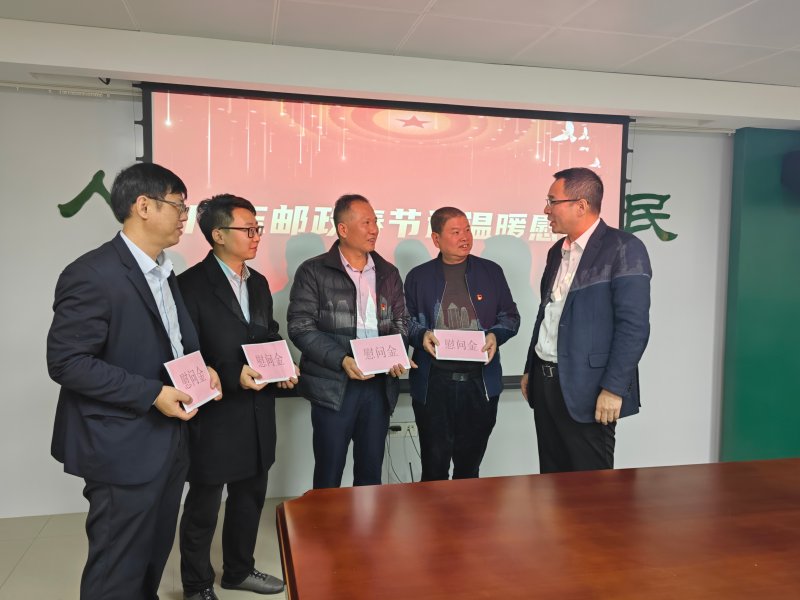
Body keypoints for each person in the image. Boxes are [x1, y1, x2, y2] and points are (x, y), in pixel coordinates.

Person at [47, 162, 222, 600]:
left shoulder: (163, 271)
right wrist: (152, 394)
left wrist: (202, 369)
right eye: (178, 205)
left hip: (169, 441)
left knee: (150, 558)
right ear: (143, 206)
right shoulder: (92, 273)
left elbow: (171, 344)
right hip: (121, 445)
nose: (185, 217)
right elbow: (67, 362)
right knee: (117, 568)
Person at [177, 195, 294, 599]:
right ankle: (196, 584)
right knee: (204, 505)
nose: (256, 236)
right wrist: (231, 375)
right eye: (248, 229)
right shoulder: (189, 285)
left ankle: (239, 570)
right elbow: (184, 353)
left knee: (250, 497)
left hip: (257, 411)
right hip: (215, 414)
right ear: (218, 235)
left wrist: (282, 364)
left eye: (257, 228)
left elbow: (267, 333)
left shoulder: (257, 282)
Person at [521, 167, 651, 473]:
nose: (546, 209)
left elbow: (633, 327)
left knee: (592, 488)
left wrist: (614, 388)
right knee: (551, 479)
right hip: (546, 382)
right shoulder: (557, 251)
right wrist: (530, 368)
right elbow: (548, 312)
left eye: (552, 201)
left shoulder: (623, 248)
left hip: (590, 389)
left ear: (581, 205)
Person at [288, 194, 408, 489]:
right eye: (366, 223)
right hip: (335, 385)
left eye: (375, 222)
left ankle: (365, 522)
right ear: (343, 229)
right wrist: (342, 359)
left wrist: (397, 354)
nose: (374, 229)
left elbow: (401, 322)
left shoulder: (388, 272)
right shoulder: (313, 271)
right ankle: (324, 523)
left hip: (379, 386)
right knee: (329, 474)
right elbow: (301, 327)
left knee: (370, 474)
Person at [404, 207, 520, 480]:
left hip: (479, 383)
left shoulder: (491, 272)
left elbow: (510, 316)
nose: (465, 237)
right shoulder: (418, 276)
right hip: (434, 384)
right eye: (455, 232)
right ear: (436, 239)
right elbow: (404, 321)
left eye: (467, 230)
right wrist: (421, 335)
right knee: (433, 468)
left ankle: (466, 510)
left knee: (469, 470)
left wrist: (495, 335)